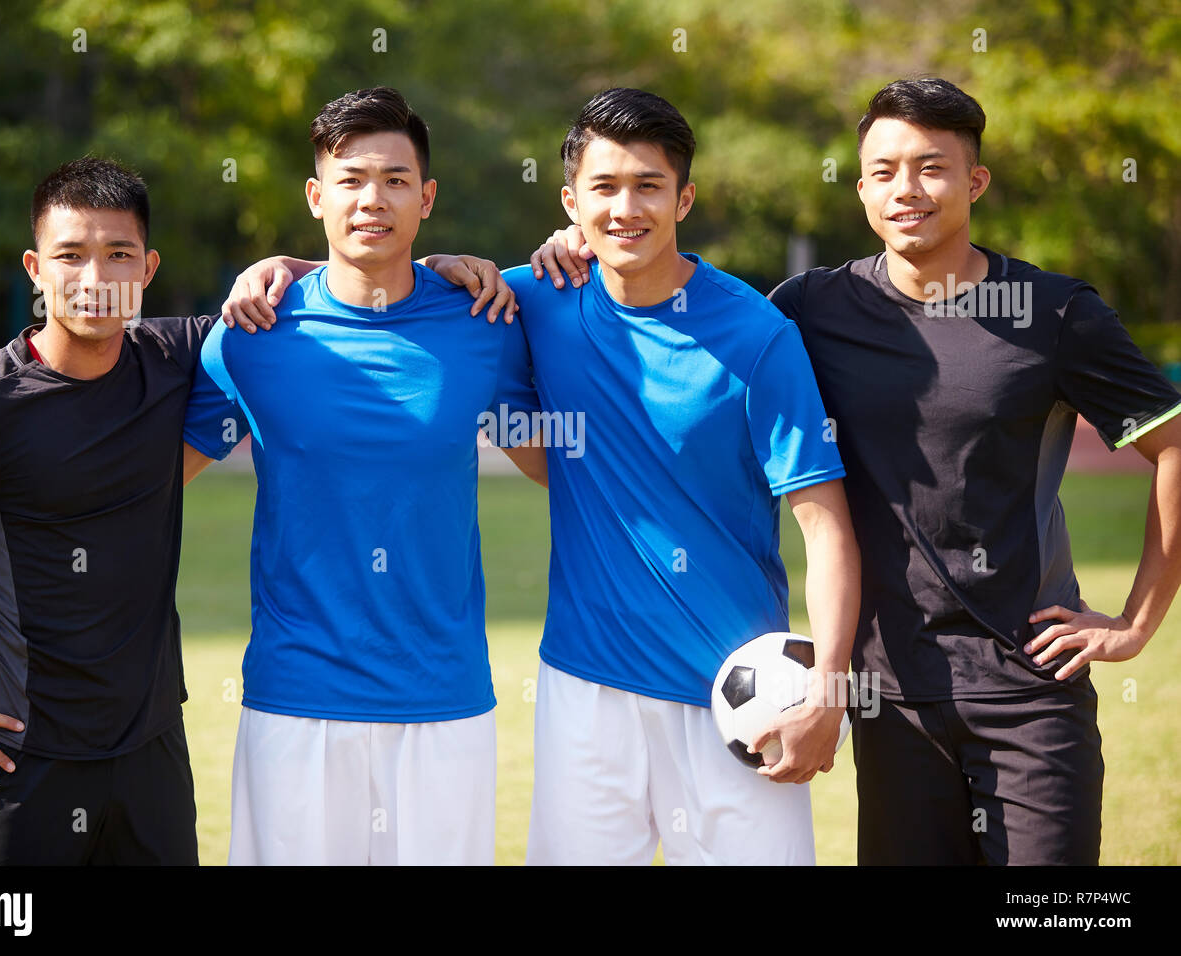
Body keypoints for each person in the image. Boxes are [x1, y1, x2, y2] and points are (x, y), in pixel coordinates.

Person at [535, 78, 1181, 865]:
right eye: (882, 171)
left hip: (1027, 689)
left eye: (931, 168)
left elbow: (1172, 444)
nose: (905, 189)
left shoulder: (1054, 314)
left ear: (974, 181)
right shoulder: (809, 309)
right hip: (890, 695)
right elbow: (667, 300)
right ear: (863, 188)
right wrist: (575, 240)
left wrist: (1138, 621)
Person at [235, 88, 862, 865]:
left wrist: (830, 688)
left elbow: (826, 524)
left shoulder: (758, 337)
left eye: (648, 187)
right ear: (572, 200)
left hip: (738, 691)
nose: (625, 208)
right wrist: (286, 266)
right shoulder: (532, 297)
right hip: (583, 693)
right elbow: (389, 271)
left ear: (685, 198)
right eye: (603, 188)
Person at [181, 87, 544, 865]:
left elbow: (559, 466)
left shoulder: (484, 322)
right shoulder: (252, 334)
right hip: (296, 699)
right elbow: (149, 482)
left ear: (426, 197)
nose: (371, 199)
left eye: (394, 179)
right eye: (349, 180)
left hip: (443, 700)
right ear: (316, 196)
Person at [0, 156, 207, 864]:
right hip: (18, 763)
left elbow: (316, 295)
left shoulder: (177, 357)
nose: (95, 280)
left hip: (152, 753)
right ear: (35, 267)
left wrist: (440, 263)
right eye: (70, 255)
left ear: (148, 267)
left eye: (118, 254)